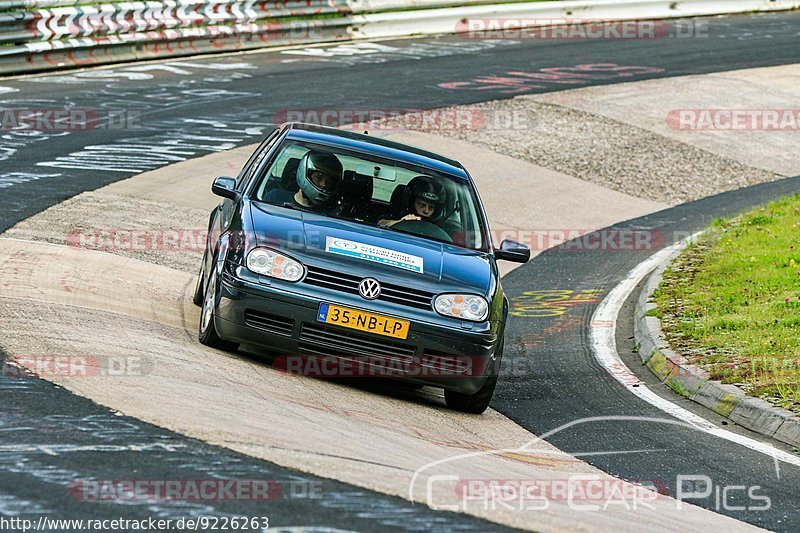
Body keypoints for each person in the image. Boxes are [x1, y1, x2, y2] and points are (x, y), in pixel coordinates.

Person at [265, 150, 343, 211]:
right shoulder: (274, 197)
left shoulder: (330, 213)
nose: (324, 185)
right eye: (318, 178)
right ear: (304, 173)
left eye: (329, 182)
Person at [379, 176, 444, 227]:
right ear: (412, 203)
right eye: (422, 205)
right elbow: (381, 223)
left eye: (431, 208)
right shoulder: (398, 213)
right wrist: (401, 222)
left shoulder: (438, 227)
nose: (426, 211)